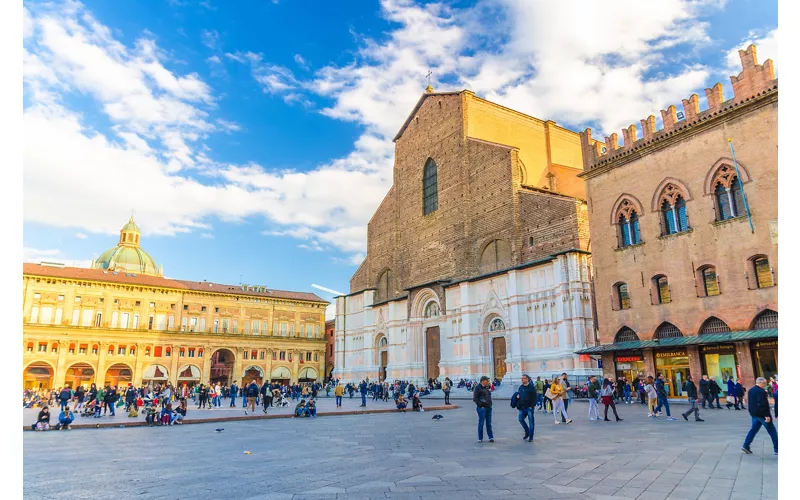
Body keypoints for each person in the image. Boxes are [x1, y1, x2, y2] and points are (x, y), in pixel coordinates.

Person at [742, 377, 778, 456]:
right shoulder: (761, 391)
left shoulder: (751, 390)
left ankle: (746, 445)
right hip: (762, 415)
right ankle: (777, 448)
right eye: (764, 384)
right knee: (772, 430)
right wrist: (767, 415)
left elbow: (750, 403)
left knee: (753, 430)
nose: (765, 385)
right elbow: (762, 404)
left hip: (754, 414)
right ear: (761, 383)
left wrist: (751, 412)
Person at [473, 376, 494, 443]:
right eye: (487, 380)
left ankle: (490, 437)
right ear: (483, 381)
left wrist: (490, 404)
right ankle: (480, 438)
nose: (488, 381)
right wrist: (480, 405)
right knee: (481, 423)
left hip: (489, 407)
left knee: (489, 423)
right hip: (482, 408)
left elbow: (489, 396)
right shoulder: (477, 388)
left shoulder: (487, 387)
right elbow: (475, 398)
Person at [516, 374, 537, 442]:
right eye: (521, 378)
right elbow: (519, 395)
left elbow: (534, 397)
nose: (522, 379)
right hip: (522, 407)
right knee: (520, 419)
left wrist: (532, 406)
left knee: (531, 422)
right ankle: (527, 431)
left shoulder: (531, 387)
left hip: (529, 408)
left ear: (527, 379)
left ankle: (531, 436)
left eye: (523, 378)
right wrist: (517, 397)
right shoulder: (520, 387)